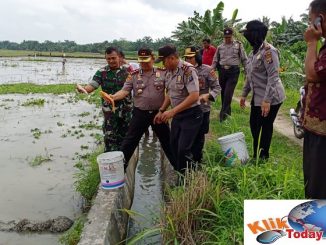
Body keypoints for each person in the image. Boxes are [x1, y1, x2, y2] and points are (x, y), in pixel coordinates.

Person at [109, 48, 176, 168]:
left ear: (153, 58)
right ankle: (119, 171)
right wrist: (113, 97)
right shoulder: (133, 75)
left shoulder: (164, 73)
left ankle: (179, 170)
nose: (144, 63)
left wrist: (163, 110)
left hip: (158, 114)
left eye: (146, 60)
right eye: (141, 60)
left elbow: (171, 92)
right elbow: (125, 91)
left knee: (168, 143)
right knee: (129, 143)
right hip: (140, 114)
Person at [240, 20, 285, 160]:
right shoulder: (253, 52)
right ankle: (257, 155)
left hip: (272, 97)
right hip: (257, 96)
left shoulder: (268, 51)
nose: (245, 34)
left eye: (248, 31)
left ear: (254, 34)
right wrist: (243, 95)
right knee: (254, 125)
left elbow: (273, 76)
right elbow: (249, 76)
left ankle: (262, 157)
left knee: (265, 126)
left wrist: (267, 101)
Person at [154, 45, 203, 173]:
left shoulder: (188, 70)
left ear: (171, 58)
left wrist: (172, 111)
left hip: (191, 114)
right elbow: (170, 94)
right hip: (178, 115)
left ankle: (186, 179)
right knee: (174, 145)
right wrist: (162, 110)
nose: (163, 65)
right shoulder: (169, 72)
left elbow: (194, 96)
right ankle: (183, 174)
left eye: (164, 61)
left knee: (184, 149)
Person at [76, 47, 132, 152]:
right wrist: (83, 89)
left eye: (113, 58)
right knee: (110, 137)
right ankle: (111, 161)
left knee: (126, 137)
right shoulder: (101, 72)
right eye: (108, 59)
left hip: (127, 110)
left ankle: (125, 161)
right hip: (109, 111)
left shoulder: (129, 70)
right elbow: (92, 86)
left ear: (119, 57)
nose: (111, 61)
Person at [302, 0, 326, 198]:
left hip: (322, 134)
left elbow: (313, 75)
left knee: (317, 188)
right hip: (318, 129)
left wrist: (311, 43)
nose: (310, 26)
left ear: (321, 18)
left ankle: (316, 228)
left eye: (312, 21)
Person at [183, 46, 221, 163]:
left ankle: (198, 160)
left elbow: (217, 88)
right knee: (187, 136)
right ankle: (187, 162)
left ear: (197, 57)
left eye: (191, 58)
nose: (188, 61)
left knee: (199, 136)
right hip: (187, 109)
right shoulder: (182, 70)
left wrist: (208, 96)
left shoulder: (207, 70)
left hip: (202, 109)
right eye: (186, 58)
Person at [212, 27, 247, 122]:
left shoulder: (238, 45)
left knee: (228, 93)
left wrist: (247, 72)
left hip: (233, 72)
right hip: (222, 71)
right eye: (226, 37)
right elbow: (215, 60)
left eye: (229, 37)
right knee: (223, 93)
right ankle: (228, 114)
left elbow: (244, 59)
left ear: (232, 36)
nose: (227, 39)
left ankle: (222, 117)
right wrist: (212, 69)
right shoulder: (220, 47)